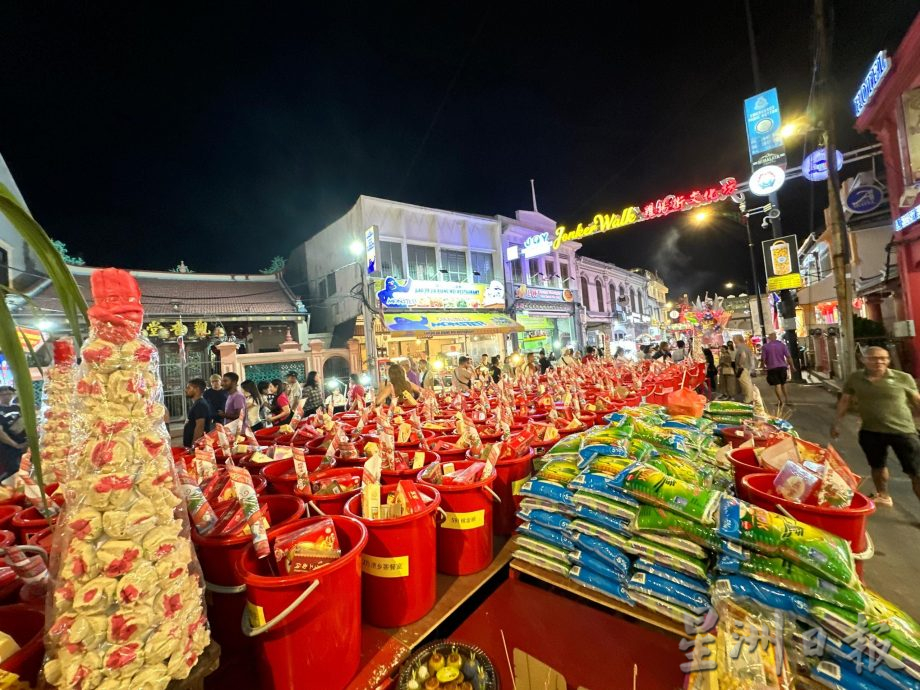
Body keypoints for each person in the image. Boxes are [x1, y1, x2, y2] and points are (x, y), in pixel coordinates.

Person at [832, 346, 920, 506]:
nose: (879, 361)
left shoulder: (903, 378)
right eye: (873, 358)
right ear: (863, 360)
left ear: (888, 360)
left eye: (883, 358)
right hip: (870, 431)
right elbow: (845, 400)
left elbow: (917, 401)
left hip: (903, 432)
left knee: (916, 473)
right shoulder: (855, 378)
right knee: (877, 466)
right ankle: (883, 495)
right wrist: (837, 423)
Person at [0, 385, 27, 480]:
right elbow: (1, 433)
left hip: (24, 444)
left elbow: (25, 423)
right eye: (4, 394)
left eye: (9, 393)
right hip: (10, 449)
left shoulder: (16, 407)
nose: (8, 395)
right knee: (15, 473)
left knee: (28, 470)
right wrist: (15, 445)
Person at [761, 332, 795, 406]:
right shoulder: (782, 345)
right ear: (776, 337)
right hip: (782, 367)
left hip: (772, 368)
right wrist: (792, 366)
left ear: (769, 338)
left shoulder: (765, 347)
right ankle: (787, 400)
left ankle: (781, 401)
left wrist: (763, 367)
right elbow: (788, 357)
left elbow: (763, 359)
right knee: (783, 384)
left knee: (777, 385)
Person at [183, 378, 213, 447]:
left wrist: (194, 445)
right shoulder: (198, 403)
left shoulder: (200, 404)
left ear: (197, 389)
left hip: (198, 446)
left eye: (188, 388)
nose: (186, 390)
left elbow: (200, 426)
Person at [732, 335, 755, 404]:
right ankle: (749, 398)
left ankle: (748, 399)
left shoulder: (741, 347)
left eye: (734, 339)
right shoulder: (745, 346)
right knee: (747, 383)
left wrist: (740, 364)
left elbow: (743, 355)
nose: (733, 340)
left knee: (745, 384)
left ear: (737, 339)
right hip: (746, 368)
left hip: (743, 369)